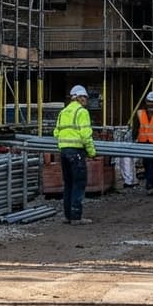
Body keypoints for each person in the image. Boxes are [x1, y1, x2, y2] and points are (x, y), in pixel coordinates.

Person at [54, 85, 97, 225]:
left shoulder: (63, 112)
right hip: (76, 153)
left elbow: (56, 133)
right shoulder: (81, 112)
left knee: (68, 184)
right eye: (84, 97)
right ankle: (76, 217)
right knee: (78, 184)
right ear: (78, 98)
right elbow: (85, 135)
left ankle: (68, 216)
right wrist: (91, 152)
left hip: (64, 152)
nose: (86, 100)